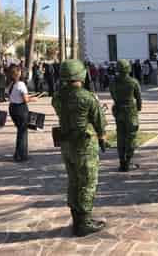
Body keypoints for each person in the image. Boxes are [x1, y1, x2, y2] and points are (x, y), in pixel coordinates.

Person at [52, 59, 107, 237]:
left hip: (66, 144)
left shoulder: (57, 97)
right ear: (80, 75)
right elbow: (100, 123)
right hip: (84, 146)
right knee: (88, 182)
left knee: (73, 180)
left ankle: (76, 220)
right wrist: (102, 137)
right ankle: (84, 223)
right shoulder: (87, 97)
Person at [110, 59, 142, 172]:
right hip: (130, 112)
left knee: (121, 136)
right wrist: (138, 109)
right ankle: (128, 161)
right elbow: (138, 98)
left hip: (119, 111)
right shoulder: (133, 82)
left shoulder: (113, 82)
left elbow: (112, 94)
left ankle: (122, 162)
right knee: (131, 137)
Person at [8, 65, 38, 162]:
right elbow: (25, 99)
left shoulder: (11, 84)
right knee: (23, 132)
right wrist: (33, 99)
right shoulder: (21, 84)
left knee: (20, 131)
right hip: (20, 108)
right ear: (18, 73)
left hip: (12, 108)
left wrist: (28, 96)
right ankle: (22, 155)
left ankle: (17, 154)